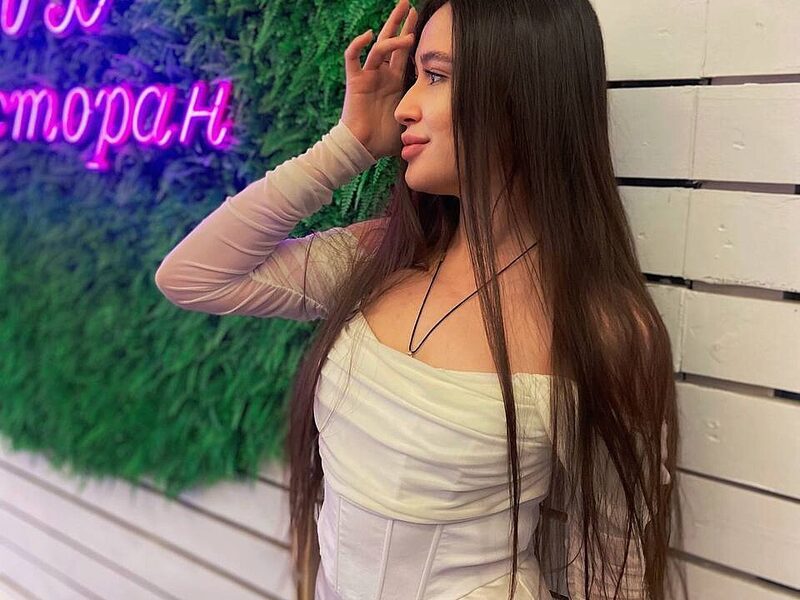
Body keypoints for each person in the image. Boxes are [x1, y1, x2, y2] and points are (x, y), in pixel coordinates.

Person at [155, 0, 682, 598]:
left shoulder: (604, 331)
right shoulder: (380, 258)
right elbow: (193, 277)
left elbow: (614, 573)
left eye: (435, 76)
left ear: (522, 92)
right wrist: (350, 143)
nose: (403, 106)